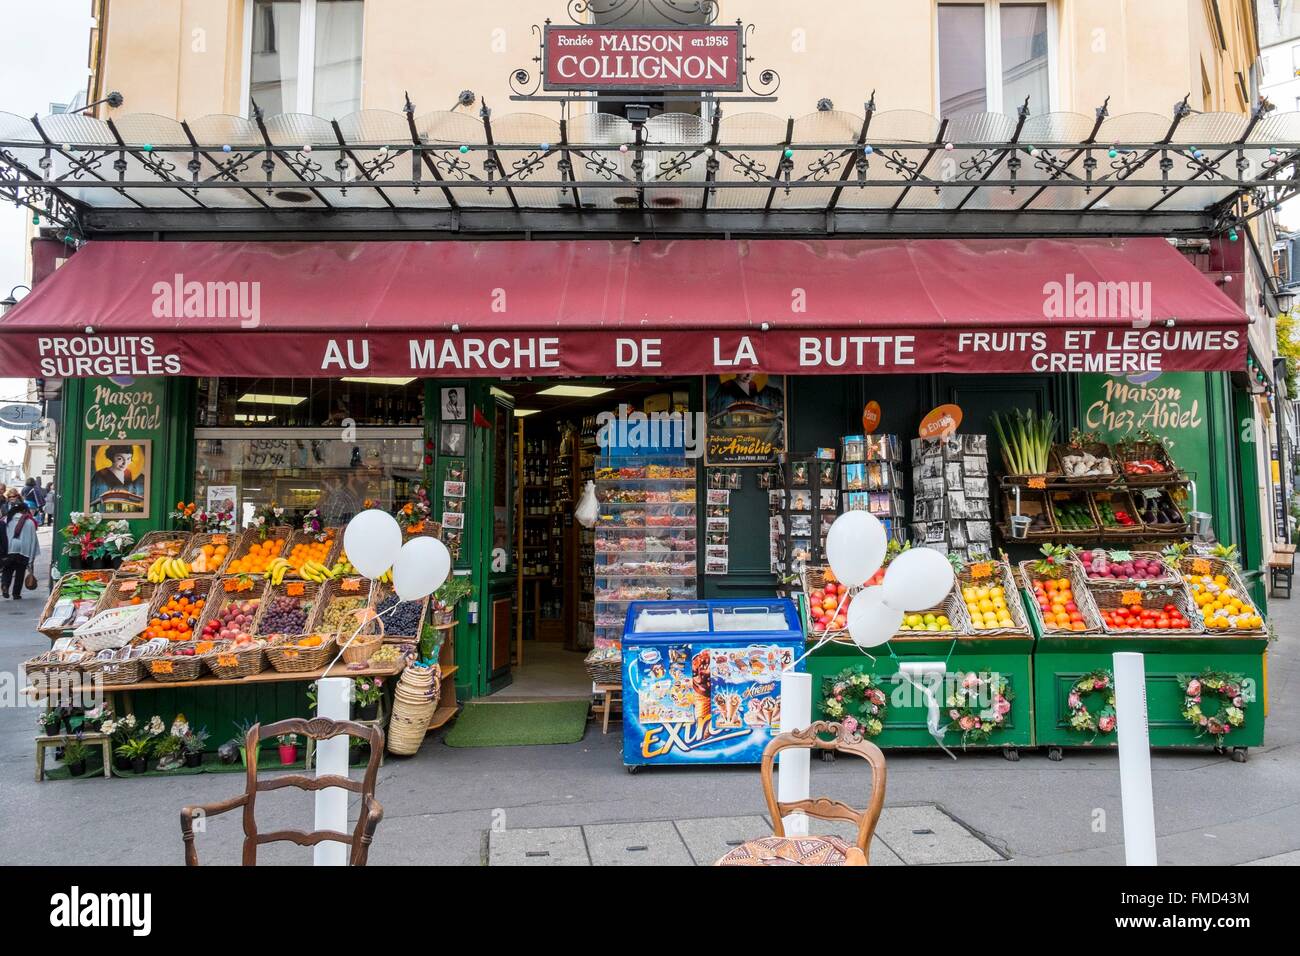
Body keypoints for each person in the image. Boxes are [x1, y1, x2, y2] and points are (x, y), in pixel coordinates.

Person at [2, 499, 40, 600]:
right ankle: (16, 593)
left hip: (9, 548)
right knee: (20, 572)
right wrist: (31, 558)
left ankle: (5, 585)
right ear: (24, 511)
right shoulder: (29, 522)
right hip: (24, 550)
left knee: (8, 569)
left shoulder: (7, 520)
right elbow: (33, 539)